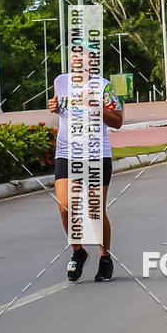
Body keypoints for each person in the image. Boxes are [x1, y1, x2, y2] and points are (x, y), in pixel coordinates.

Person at [48, 44, 123, 282]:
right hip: (67, 152)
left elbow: (118, 121)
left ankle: (105, 258)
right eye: (75, 55)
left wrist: (97, 108)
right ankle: (78, 253)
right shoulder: (60, 82)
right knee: (65, 208)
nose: (79, 59)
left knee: (94, 211)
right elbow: (59, 108)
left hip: (96, 154)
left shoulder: (103, 86)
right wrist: (54, 107)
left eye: (85, 56)